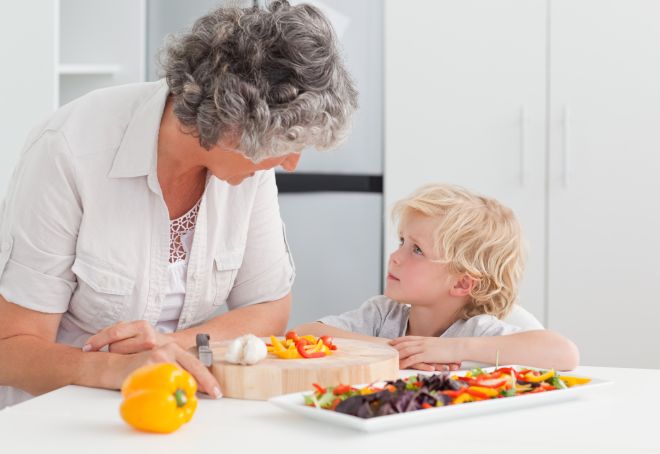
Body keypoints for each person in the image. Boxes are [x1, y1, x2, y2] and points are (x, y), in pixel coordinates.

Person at [0, 0, 357, 407]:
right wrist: (113, 370)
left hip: (175, 406)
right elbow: (11, 349)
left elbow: (268, 308)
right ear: (229, 122)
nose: (291, 163)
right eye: (287, 145)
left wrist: (171, 347)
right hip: (55, 417)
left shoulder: (249, 169)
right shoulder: (70, 149)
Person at [294, 184, 579, 372]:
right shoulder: (383, 315)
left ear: (462, 283)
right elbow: (306, 334)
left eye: (417, 249)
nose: (395, 256)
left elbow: (563, 353)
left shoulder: (474, 331)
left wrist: (449, 349)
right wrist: (394, 351)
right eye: (401, 241)